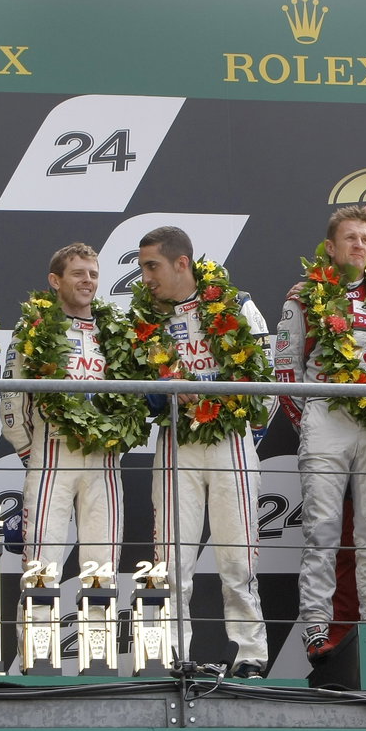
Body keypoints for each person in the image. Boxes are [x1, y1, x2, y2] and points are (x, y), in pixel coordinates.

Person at [131, 225, 273, 678]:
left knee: (238, 558)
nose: (146, 277)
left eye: (152, 266)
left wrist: (249, 435)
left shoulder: (236, 303)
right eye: (142, 268)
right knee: (171, 559)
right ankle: (175, 654)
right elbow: (140, 388)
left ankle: (251, 655)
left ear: (182, 263)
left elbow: (264, 377)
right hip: (177, 442)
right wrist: (164, 390)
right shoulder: (144, 316)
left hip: (231, 441)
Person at [0, 243, 150, 656]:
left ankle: (98, 658)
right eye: (78, 273)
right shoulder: (33, 328)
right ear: (55, 280)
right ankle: (38, 659)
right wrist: (28, 450)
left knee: (101, 568)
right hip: (51, 458)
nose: (88, 281)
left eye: (94, 274)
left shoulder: (113, 330)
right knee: (41, 565)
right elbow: (11, 398)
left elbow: (131, 397)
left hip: (104, 460)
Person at [276, 205, 366, 657]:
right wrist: (308, 422)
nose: (360, 246)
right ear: (330, 247)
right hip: (326, 414)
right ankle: (315, 624)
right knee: (323, 528)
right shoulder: (304, 293)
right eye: (351, 239)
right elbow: (285, 368)